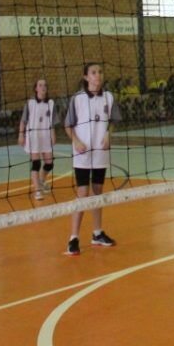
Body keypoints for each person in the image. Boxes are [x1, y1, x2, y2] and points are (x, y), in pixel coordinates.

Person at [64, 62, 118, 255]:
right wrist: (76, 141)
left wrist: (108, 134)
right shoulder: (77, 99)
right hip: (83, 155)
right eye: (94, 72)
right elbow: (68, 126)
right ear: (86, 77)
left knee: (97, 191)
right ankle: (73, 238)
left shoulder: (109, 97)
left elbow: (113, 121)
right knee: (83, 193)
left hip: (100, 153)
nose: (98, 75)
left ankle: (97, 233)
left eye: (100, 72)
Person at [19, 78, 57, 200]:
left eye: (45, 85)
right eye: (40, 85)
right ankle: (37, 190)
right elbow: (23, 121)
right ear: (36, 88)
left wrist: (53, 134)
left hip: (45, 135)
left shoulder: (50, 103)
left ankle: (41, 180)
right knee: (36, 163)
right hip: (33, 136)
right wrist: (21, 134)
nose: (43, 87)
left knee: (49, 163)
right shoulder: (30, 103)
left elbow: (52, 122)